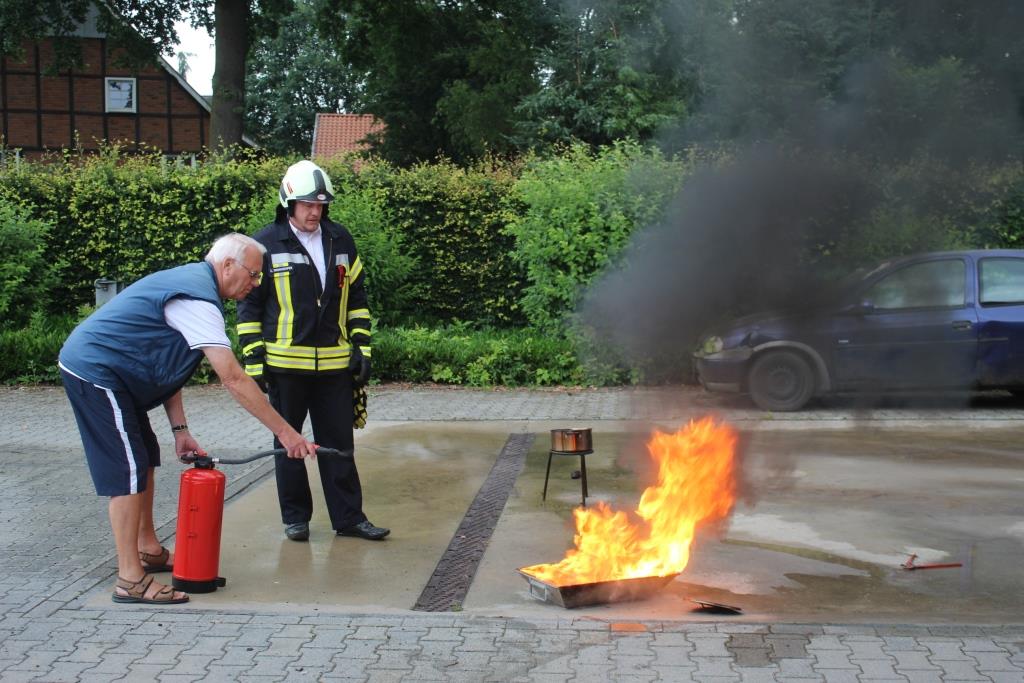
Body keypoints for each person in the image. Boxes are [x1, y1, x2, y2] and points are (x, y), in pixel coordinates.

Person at [59, 233, 319, 605]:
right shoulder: (198, 299)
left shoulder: (195, 286)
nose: (256, 283)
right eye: (254, 274)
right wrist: (288, 434)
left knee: (145, 454)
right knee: (128, 469)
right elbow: (233, 378)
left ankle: (148, 549)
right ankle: (130, 579)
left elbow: (168, 367)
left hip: (119, 374)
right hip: (95, 371)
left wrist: (180, 431)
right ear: (227, 266)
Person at [237, 160, 389, 542]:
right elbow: (248, 307)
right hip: (284, 367)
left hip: (336, 366)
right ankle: (296, 518)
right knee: (287, 443)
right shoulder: (264, 244)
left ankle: (349, 519)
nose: (314, 211)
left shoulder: (341, 240)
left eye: (320, 204)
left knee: (339, 446)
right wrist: (254, 360)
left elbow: (357, 296)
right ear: (288, 203)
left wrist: (362, 348)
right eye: (307, 204)